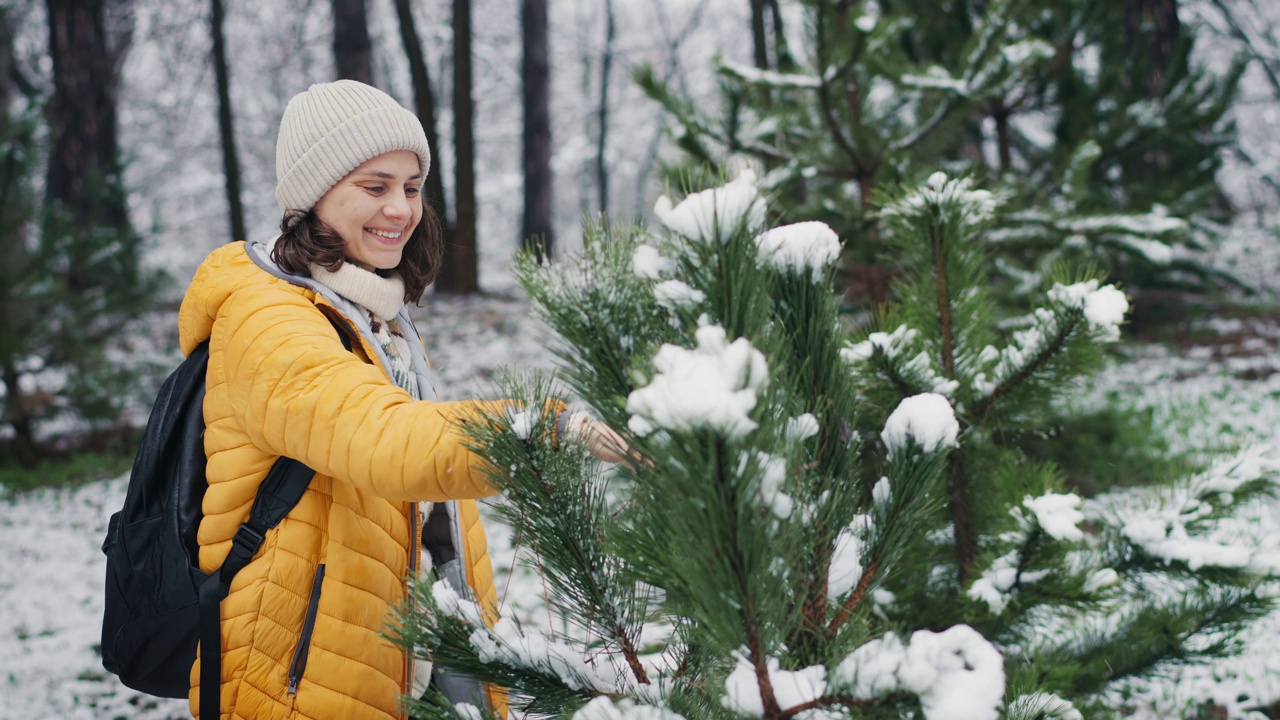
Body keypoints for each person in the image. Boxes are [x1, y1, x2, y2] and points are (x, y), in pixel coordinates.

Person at [179, 79, 624, 720]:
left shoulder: (375, 317)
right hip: (294, 684)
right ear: (314, 196)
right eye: (374, 186)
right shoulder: (266, 319)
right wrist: (545, 429)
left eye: (411, 187)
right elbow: (385, 440)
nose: (401, 209)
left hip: (386, 662)